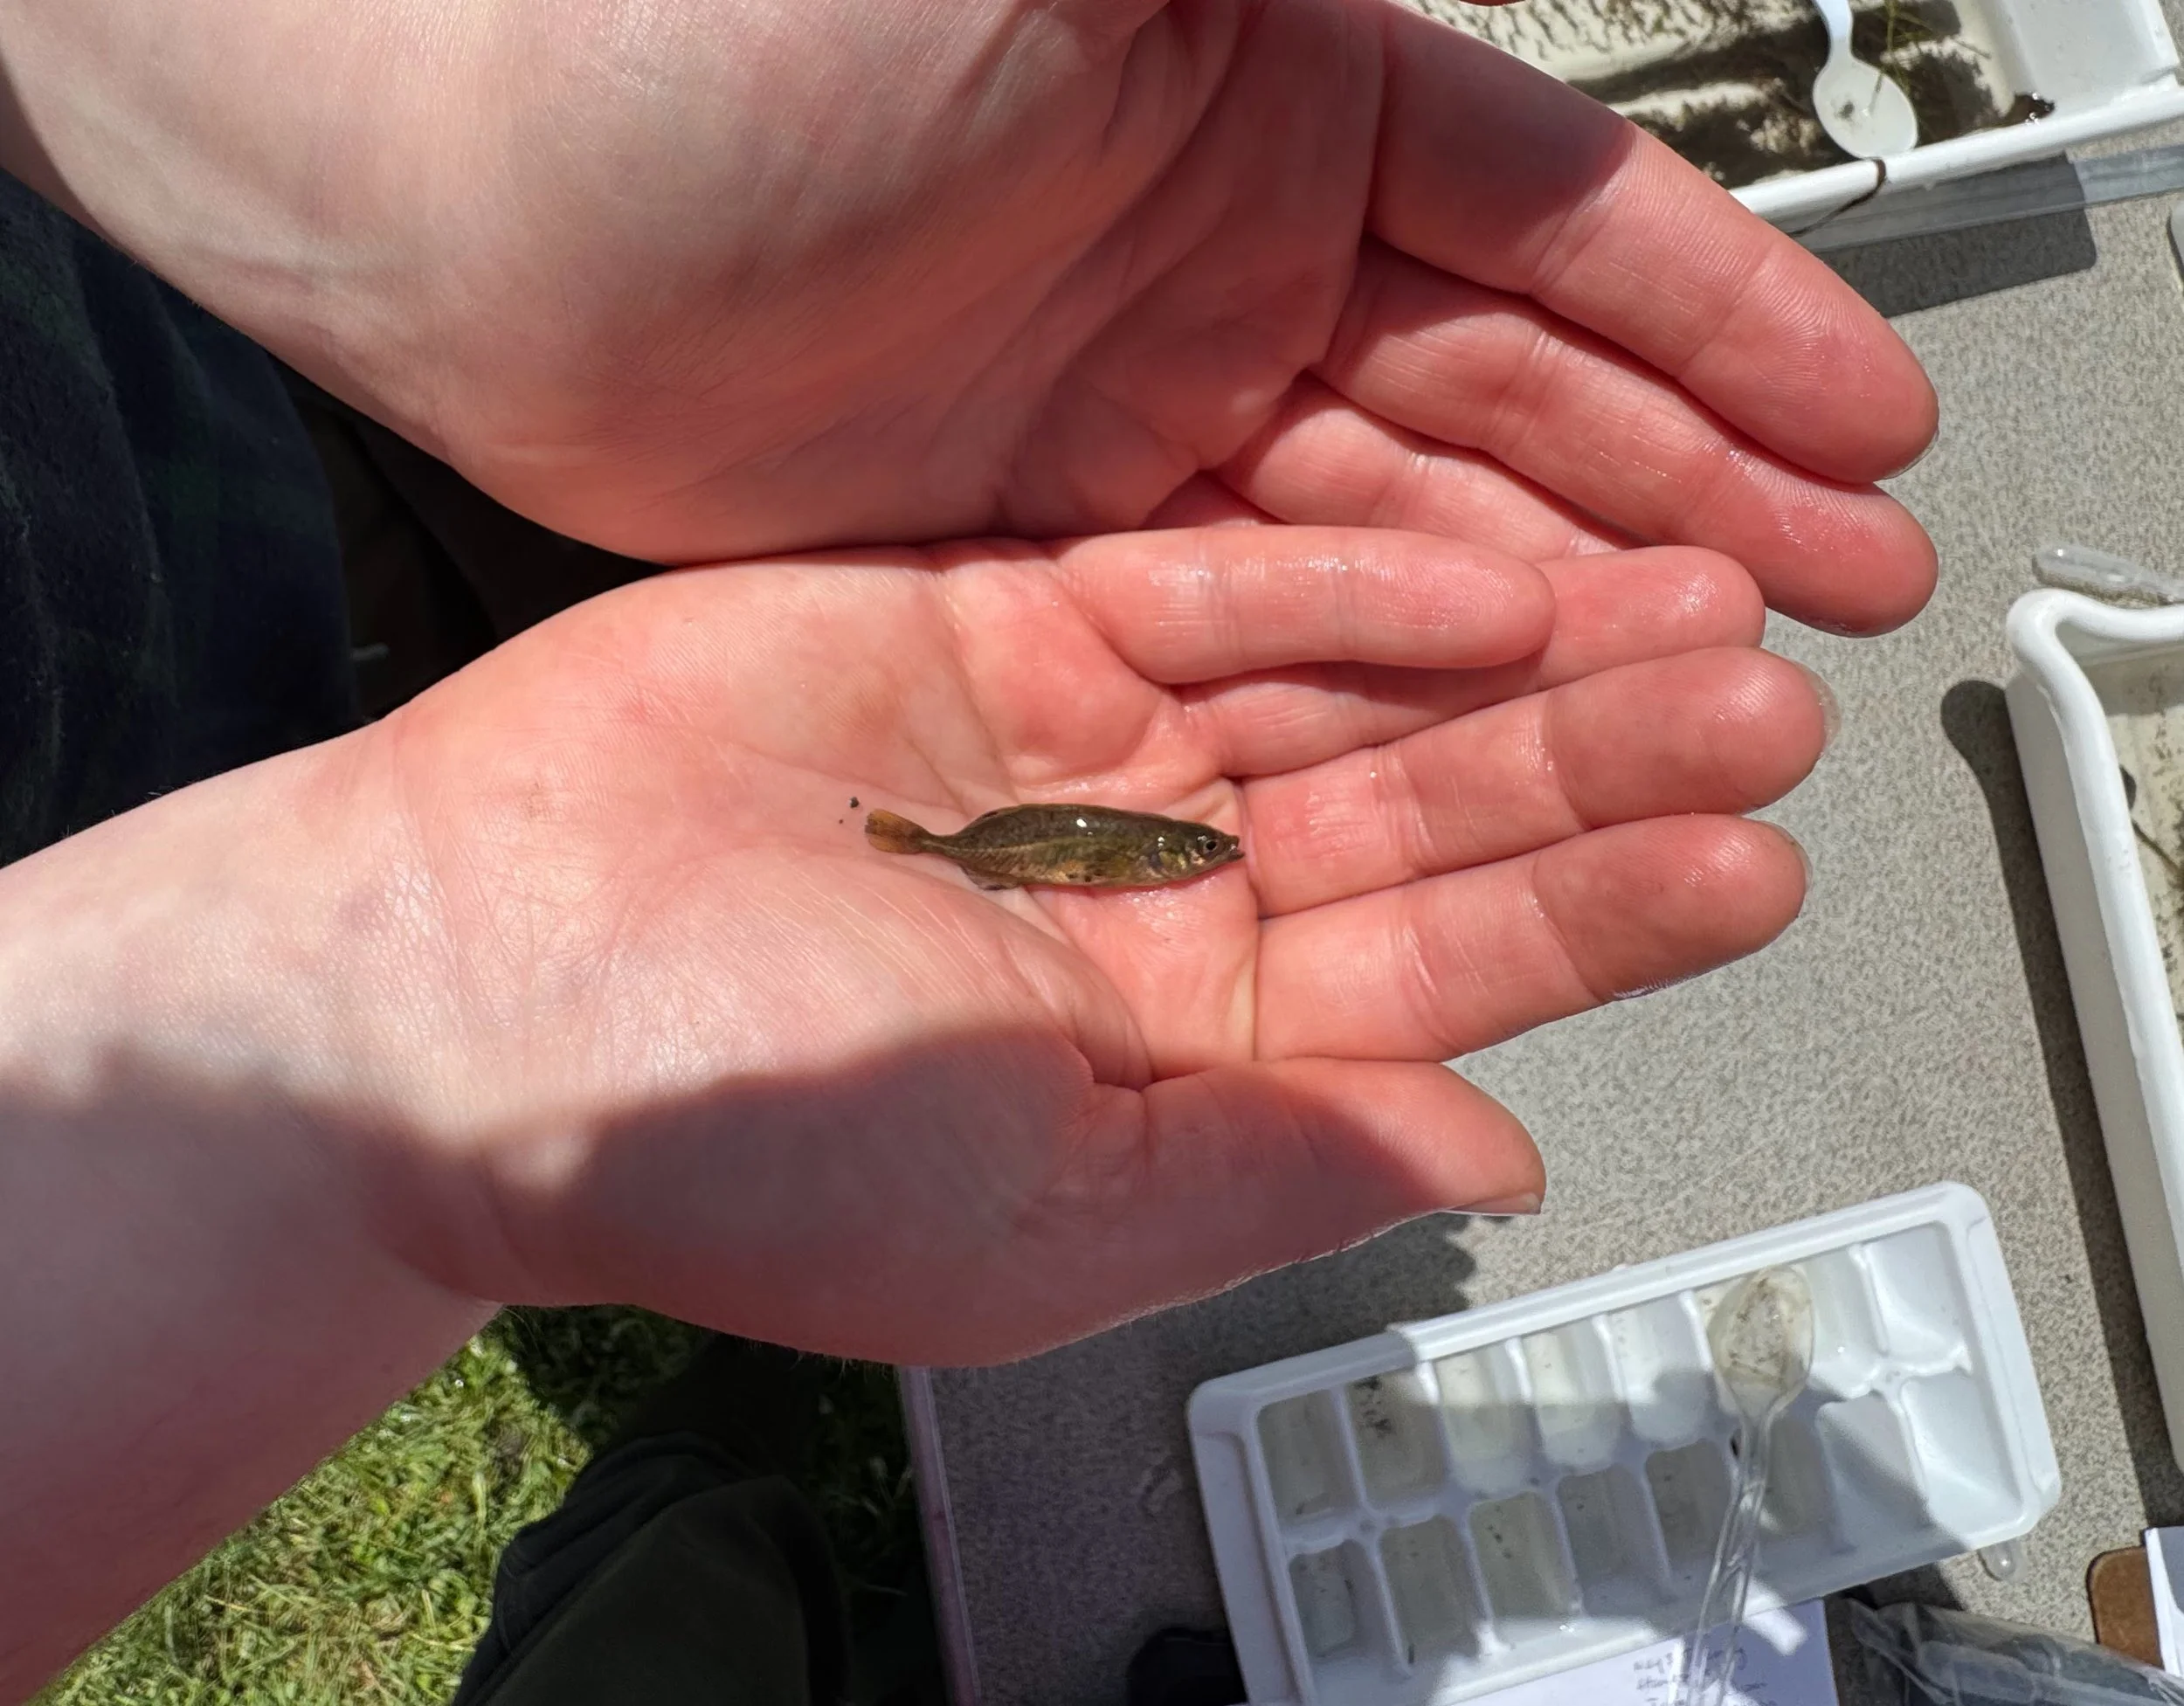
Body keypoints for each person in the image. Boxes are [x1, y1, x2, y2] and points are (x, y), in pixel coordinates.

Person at [0, 0, 1939, 1698]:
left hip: (165, 436)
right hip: (189, 655)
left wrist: (383, 151)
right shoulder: (1057, 834)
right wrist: (382, 1035)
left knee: (296, 589)